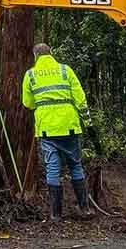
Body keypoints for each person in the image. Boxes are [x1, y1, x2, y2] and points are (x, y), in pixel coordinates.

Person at [22, 44, 92, 220]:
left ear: (35, 56)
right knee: (75, 165)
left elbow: (28, 103)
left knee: (52, 168)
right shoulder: (65, 70)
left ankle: (56, 214)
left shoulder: (30, 74)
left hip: (47, 129)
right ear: (51, 53)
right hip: (69, 125)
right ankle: (85, 209)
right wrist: (88, 122)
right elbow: (80, 98)